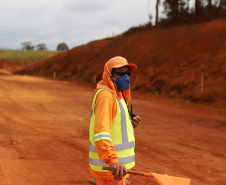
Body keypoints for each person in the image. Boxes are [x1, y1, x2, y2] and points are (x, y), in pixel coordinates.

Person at [89, 56, 141, 185]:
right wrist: (112, 160)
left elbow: (113, 126)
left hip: (117, 169)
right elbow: (101, 133)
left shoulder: (117, 94)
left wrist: (129, 123)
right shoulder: (106, 96)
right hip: (112, 167)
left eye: (127, 73)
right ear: (109, 75)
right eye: (120, 73)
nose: (126, 76)